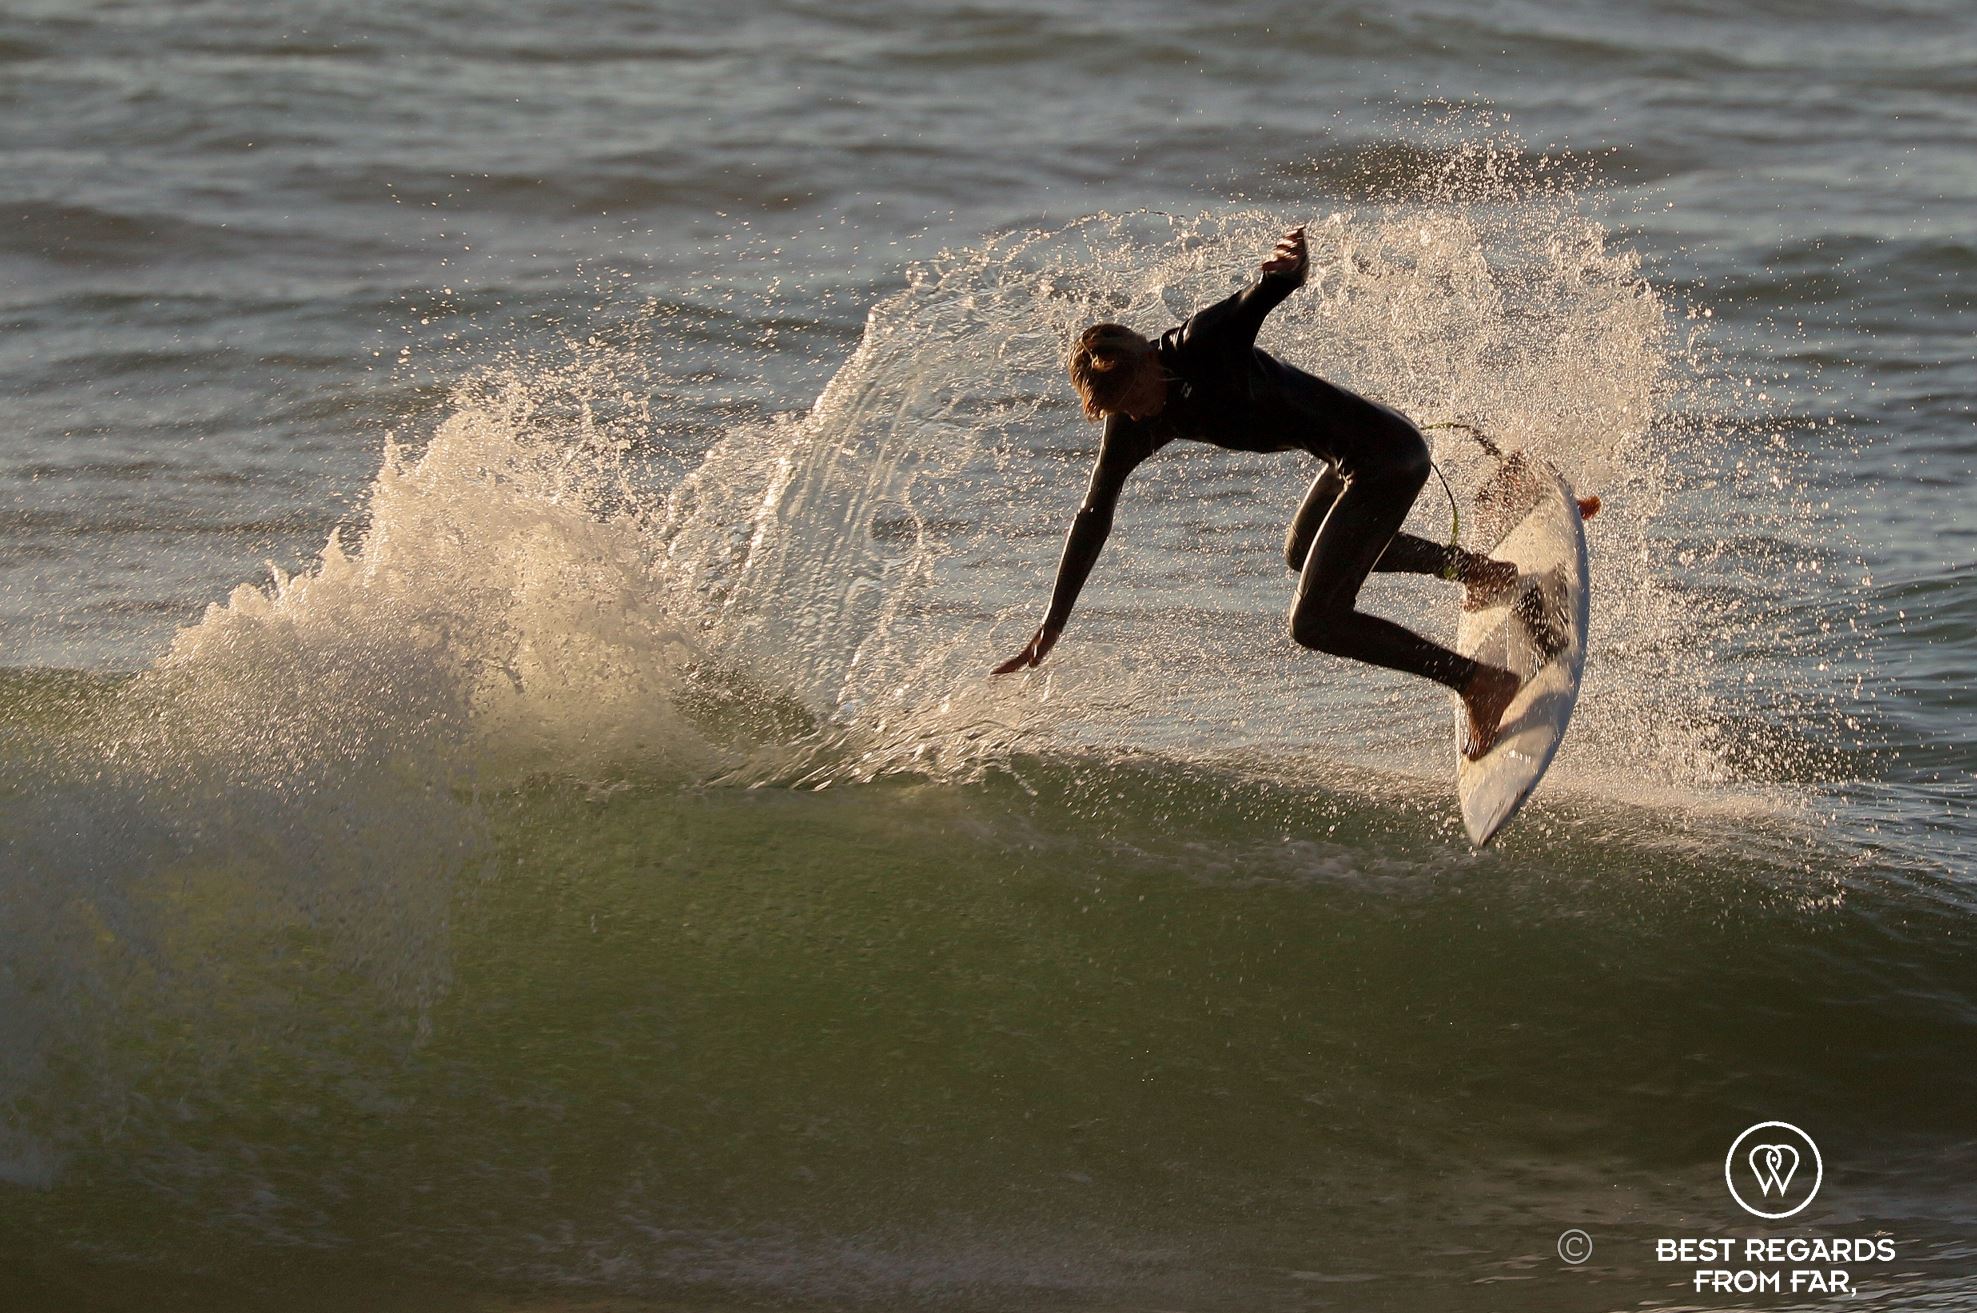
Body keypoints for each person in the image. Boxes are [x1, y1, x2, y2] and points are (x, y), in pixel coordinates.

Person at [992, 225, 1527, 758]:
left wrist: (1290, 267)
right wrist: (1052, 624)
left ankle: (1478, 682)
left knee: (1314, 621)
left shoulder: (1204, 343)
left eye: (1133, 396)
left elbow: (1270, 289)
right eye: (1119, 410)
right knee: (1301, 550)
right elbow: (1094, 513)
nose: (1133, 415)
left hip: (1386, 456)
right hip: (1351, 458)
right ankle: (1477, 571)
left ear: (1147, 358)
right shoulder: (1133, 421)